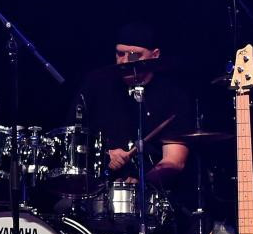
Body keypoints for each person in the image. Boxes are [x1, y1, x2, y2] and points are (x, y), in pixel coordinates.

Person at [75, 22, 192, 192]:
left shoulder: (172, 96)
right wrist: (104, 154)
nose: (124, 62)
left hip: (151, 194)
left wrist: (140, 186)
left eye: (133, 55)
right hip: (95, 189)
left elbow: (174, 161)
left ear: (155, 55)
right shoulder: (96, 84)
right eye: (120, 54)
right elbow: (73, 139)